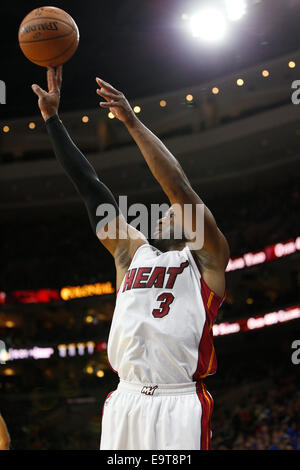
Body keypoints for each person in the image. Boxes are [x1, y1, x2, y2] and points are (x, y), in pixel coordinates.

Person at [32, 67, 229, 450]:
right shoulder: (131, 254)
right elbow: (91, 186)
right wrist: (52, 120)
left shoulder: (205, 262)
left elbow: (180, 188)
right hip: (126, 399)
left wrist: (132, 122)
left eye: (173, 210)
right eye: (165, 210)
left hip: (179, 402)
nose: (166, 210)